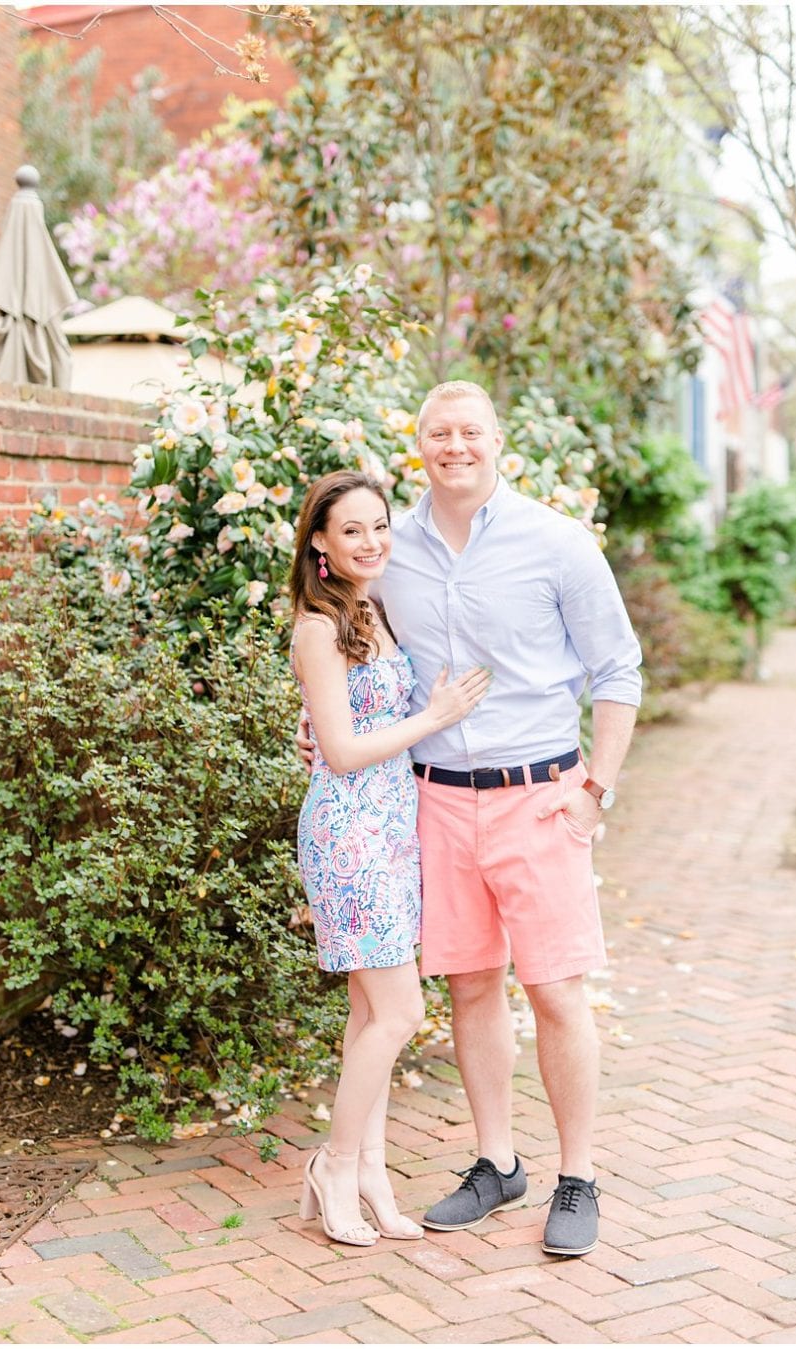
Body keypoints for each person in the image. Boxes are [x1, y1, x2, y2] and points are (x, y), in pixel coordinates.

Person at [299, 380, 642, 1258]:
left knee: (558, 990)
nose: (456, 445)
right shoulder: (389, 546)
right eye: (438, 433)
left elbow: (617, 670)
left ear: (498, 439)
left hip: (541, 796)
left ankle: (578, 1174)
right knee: (472, 984)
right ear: (420, 445)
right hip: (435, 802)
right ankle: (496, 1163)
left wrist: (594, 791)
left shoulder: (557, 542)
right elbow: (342, 660)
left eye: (471, 431)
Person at [288, 470, 491, 1247]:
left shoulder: (373, 608)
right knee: (402, 1009)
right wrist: (432, 716)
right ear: (320, 544)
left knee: (371, 1009)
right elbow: (339, 751)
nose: (372, 541)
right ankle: (335, 1164)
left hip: (393, 828)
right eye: (352, 530)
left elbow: (333, 724)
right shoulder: (317, 625)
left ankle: (371, 1169)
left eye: (380, 525)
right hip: (350, 833)